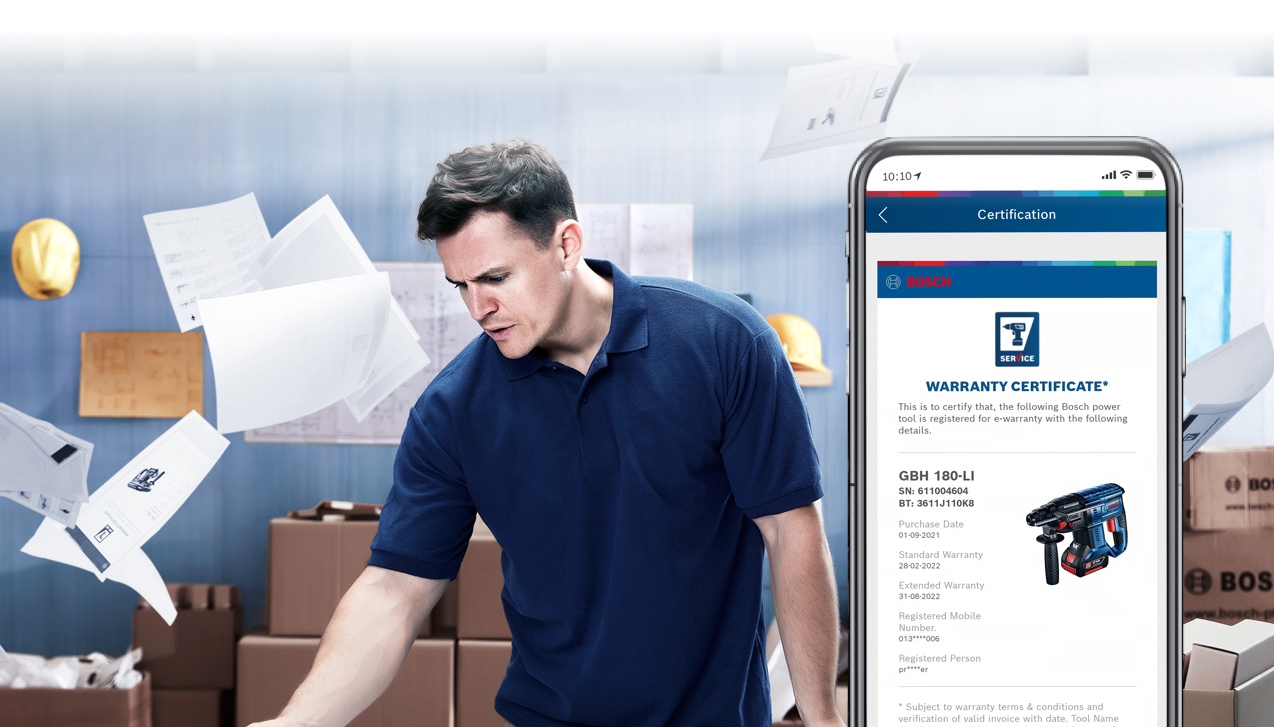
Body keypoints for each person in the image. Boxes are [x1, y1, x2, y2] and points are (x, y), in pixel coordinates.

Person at [250, 139, 842, 727]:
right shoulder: (453, 411)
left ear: (566, 244)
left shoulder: (724, 345)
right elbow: (396, 588)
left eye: (496, 277)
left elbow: (790, 532)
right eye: (460, 285)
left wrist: (823, 721)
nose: (477, 307)